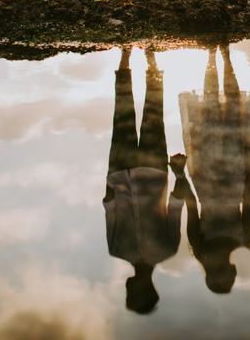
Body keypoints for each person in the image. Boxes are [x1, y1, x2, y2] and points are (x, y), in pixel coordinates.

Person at [103, 47, 187, 314]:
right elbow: (109, 205)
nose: (126, 288)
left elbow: (176, 205)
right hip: (122, 171)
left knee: (153, 114)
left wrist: (179, 172)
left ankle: (149, 60)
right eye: (131, 292)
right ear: (138, 289)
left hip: (151, 172)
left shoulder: (167, 249)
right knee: (124, 113)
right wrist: (112, 182)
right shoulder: (117, 249)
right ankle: (127, 58)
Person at [178, 45, 250, 293]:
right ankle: (218, 55)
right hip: (214, 176)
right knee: (217, 110)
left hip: (227, 174)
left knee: (226, 110)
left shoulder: (241, 240)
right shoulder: (215, 243)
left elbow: (248, 197)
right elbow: (192, 205)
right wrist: (179, 173)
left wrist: (249, 164)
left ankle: (218, 55)